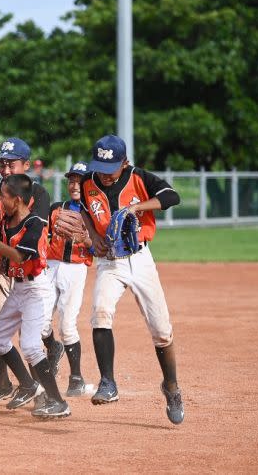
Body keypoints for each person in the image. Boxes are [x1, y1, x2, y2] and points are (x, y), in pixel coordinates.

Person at [62, 134, 184, 424]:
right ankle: (108, 382)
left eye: (111, 168)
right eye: (101, 167)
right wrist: (92, 235)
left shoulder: (139, 177)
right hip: (109, 262)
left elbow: (171, 196)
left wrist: (137, 207)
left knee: (162, 331)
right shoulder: (89, 181)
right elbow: (84, 212)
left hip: (140, 259)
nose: (105, 175)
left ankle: (171, 387)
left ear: (124, 162)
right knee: (100, 313)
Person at [0, 174, 69, 418]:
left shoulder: (35, 223)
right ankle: (28, 384)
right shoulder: (6, 221)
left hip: (37, 290)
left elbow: (19, 256)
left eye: (3, 196)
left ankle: (58, 401)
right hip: (18, 288)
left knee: (31, 346)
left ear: (17, 199)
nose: (0, 200)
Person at [0, 138, 57, 404]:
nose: (6, 169)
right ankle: (3, 383)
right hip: (3, 268)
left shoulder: (38, 194)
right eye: (3, 164)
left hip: (27, 267)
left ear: (25, 164)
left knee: (30, 339)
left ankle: (42, 393)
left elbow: (29, 240)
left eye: (12, 164)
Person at [44, 161, 93, 396]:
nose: (75, 185)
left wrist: (86, 238)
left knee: (67, 325)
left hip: (75, 269)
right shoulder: (56, 208)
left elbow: (102, 249)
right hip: (50, 267)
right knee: (40, 324)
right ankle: (53, 348)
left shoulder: (94, 212)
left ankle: (76, 378)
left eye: (80, 181)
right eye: (71, 180)